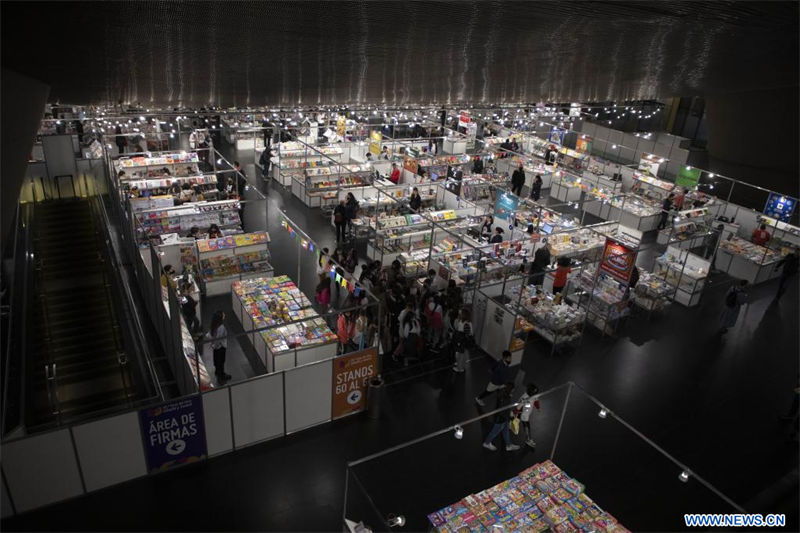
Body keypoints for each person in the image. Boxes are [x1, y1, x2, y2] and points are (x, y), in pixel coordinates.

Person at [482, 384, 521, 452]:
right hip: (501, 419)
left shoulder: (503, 394)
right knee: (494, 432)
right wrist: (510, 417)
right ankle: (486, 443)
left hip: (501, 417)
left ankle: (508, 445)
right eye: (513, 390)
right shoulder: (507, 399)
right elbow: (504, 411)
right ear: (511, 390)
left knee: (505, 431)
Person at [205, 311, 231, 383]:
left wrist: (213, 345)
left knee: (217, 361)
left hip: (216, 348)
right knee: (221, 361)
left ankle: (219, 373)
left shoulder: (214, 325)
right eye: (223, 315)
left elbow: (209, 335)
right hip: (220, 347)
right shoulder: (221, 327)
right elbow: (218, 339)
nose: (224, 315)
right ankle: (221, 376)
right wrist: (215, 345)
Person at [513, 383, 541, 448]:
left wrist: (538, 407)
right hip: (524, 416)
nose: (535, 394)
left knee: (518, 420)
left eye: (536, 393)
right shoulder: (524, 398)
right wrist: (513, 414)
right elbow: (518, 407)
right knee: (527, 428)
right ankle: (528, 439)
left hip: (527, 413)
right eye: (534, 393)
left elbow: (536, 401)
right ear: (530, 392)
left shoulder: (535, 395)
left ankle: (514, 421)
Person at [452, 309, 473, 373]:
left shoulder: (463, 323)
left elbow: (458, 330)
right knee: (462, 354)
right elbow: (471, 333)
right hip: (465, 341)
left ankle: (459, 368)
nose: (460, 314)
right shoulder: (468, 322)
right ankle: (461, 365)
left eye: (461, 313)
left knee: (460, 354)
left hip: (462, 341)